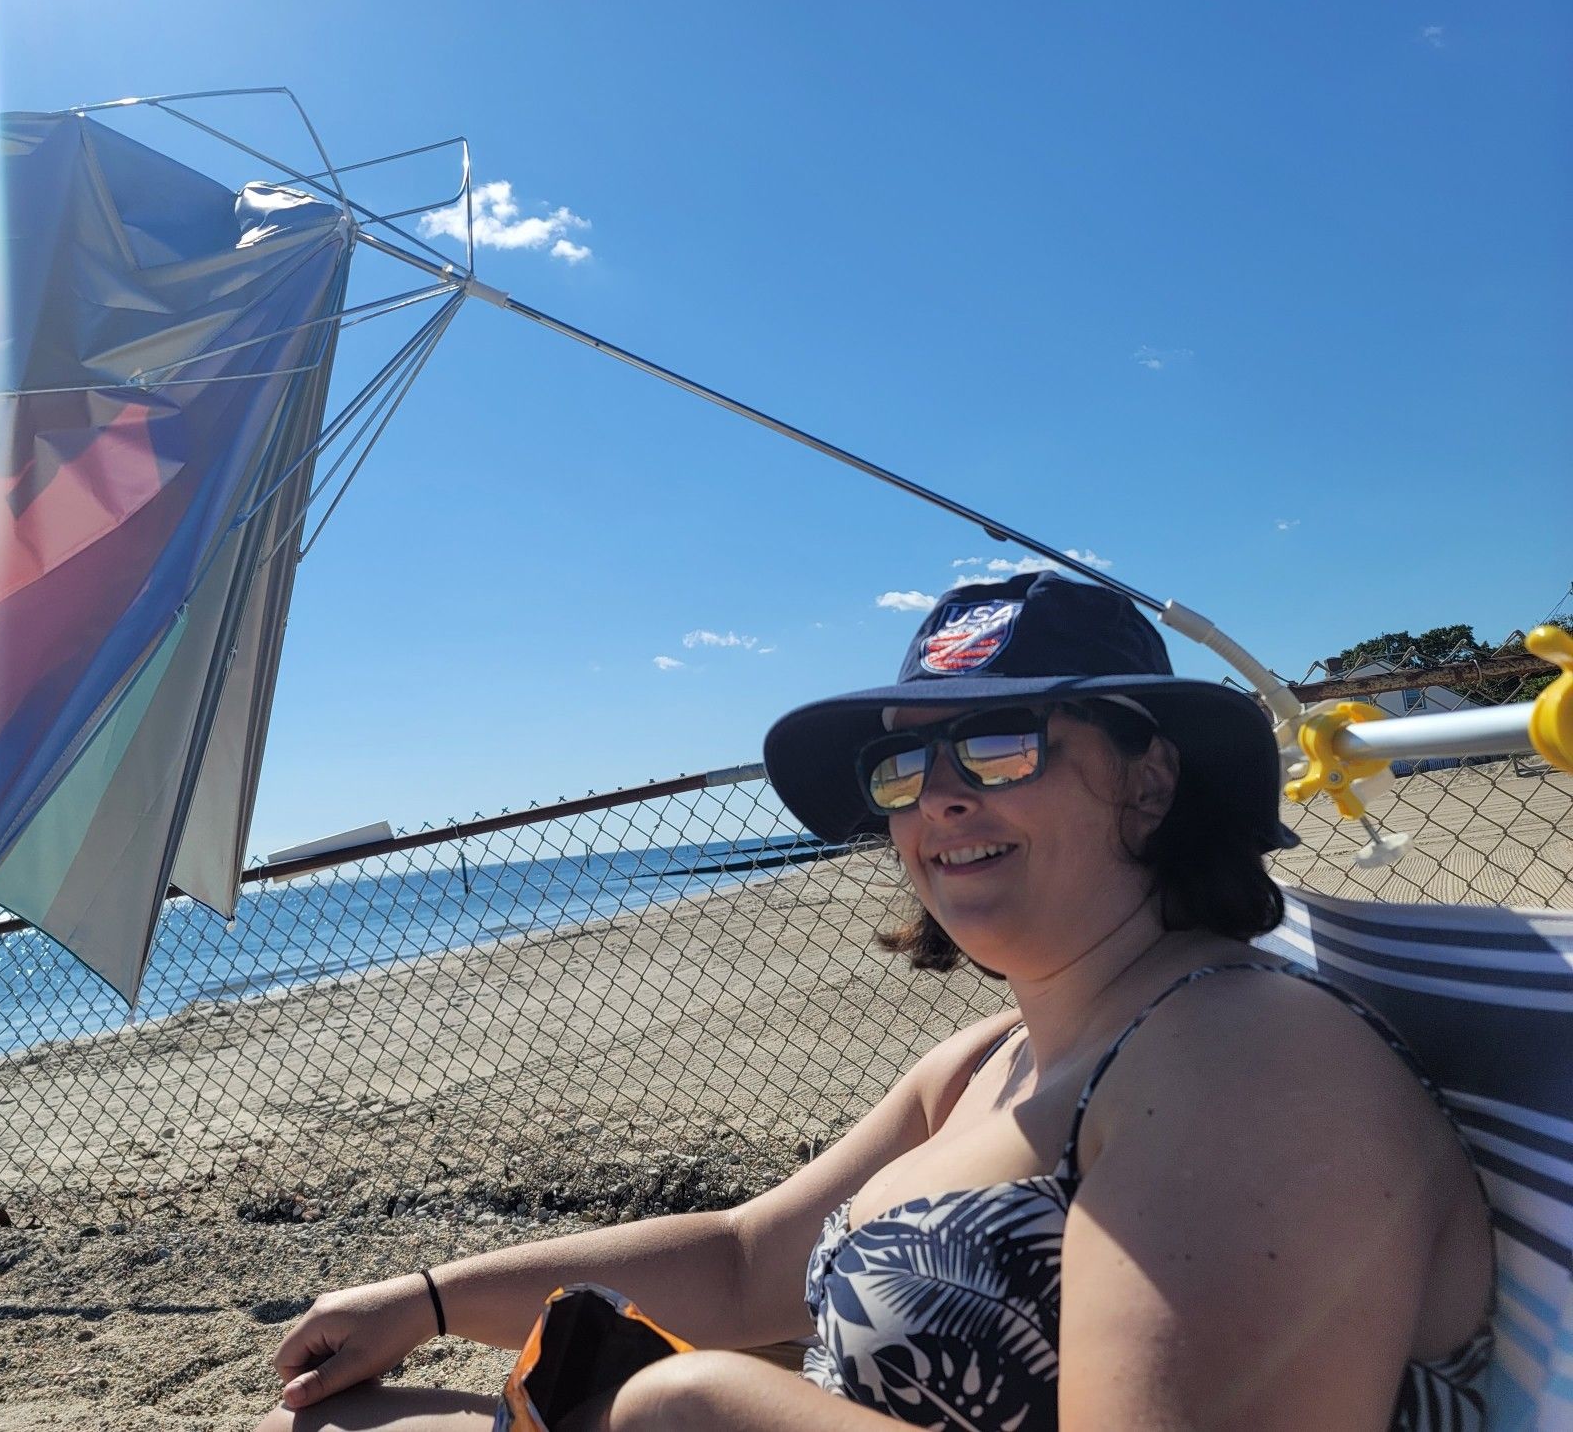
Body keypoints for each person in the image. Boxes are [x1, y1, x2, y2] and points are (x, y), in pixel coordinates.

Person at [256, 572, 1495, 1432]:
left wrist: (698, 1404)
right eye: (901, 763)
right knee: (323, 1411)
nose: (937, 797)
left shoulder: (1246, 1065)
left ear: (1149, 776)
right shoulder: (985, 1060)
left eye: (998, 744)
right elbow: (745, 1259)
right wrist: (419, 1300)